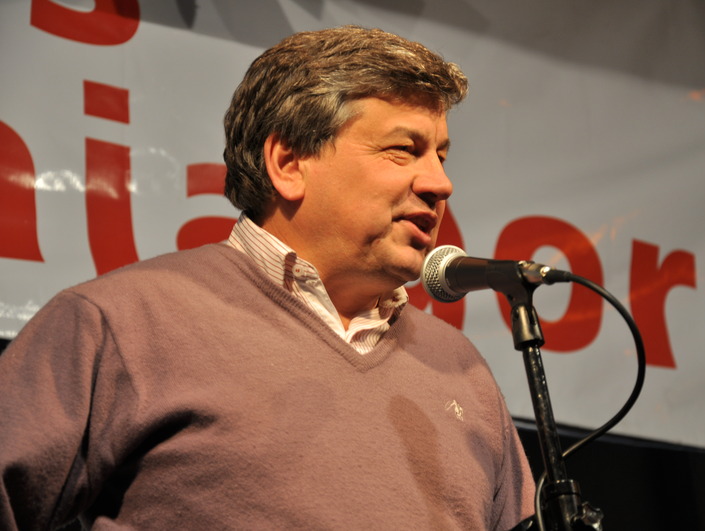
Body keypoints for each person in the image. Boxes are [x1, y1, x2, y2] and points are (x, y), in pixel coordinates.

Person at [0, 26, 535, 529]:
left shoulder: (463, 372)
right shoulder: (123, 322)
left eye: (441, 156)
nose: (440, 183)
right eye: (404, 150)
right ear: (289, 162)